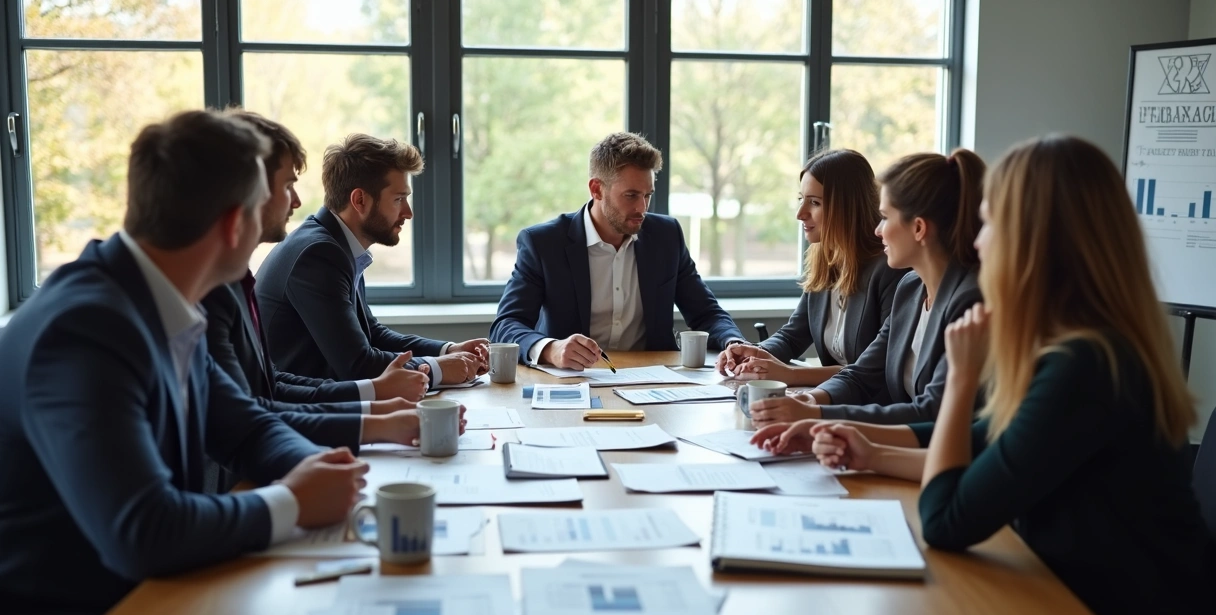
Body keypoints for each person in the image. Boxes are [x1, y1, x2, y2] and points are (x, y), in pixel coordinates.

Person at [756, 135, 1216, 615]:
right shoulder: (1079, 346)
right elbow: (986, 442)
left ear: (1034, 238)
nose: (977, 240)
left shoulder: (1084, 365)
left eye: (991, 221)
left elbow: (948, 517)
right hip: (1075, 597)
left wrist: (962, 377)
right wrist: (865, 450)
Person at [0, 110, 368, 615]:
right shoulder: (83, 330)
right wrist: (295, 501)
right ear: (232, 224)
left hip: (158, 594)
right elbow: (143, 531)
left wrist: (318, 467)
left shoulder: (156, 299)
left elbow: (245, 426)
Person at [201, 110, 461, 473]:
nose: (295, 201)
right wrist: (429, 372)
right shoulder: (317, 253)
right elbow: (353, 365)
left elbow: (271, 385)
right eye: (286, 186)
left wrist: (380, 404)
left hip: (291, 430)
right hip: (268, 456)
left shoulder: (335, 248)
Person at [749, 149, 985, 427]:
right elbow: (862, 373)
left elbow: (931, 412)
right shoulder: (910, 288)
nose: (878, 229)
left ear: (919, 228)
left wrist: (818, 413)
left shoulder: (969, 301)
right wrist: (810, 401)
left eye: (885, 217)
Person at [489, 132, 744, 369]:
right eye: (631, 195)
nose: (642, 208)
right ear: (596, 189)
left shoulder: (666, 236)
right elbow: (507, 324)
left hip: (655, 380)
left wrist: (733, 342)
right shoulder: (544, 243)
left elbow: (706, 312)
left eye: (648, 195)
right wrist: (551, 349)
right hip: (574, 382)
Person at [255, 133, 488, 385]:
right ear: (360, 200)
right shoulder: (319, 254)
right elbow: (358, 364)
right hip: (304, 411)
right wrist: (437, 369)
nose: (408, 213)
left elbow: (371, 334)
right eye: (399, 199)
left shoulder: (337, 244)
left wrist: (447, 350)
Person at [716, 149, 907, 385]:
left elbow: (874, 371)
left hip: (864, 406)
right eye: (801, 199)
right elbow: (792, 336)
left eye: (814, 202)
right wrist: (752, 352)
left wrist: (790, 375)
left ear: (848, 207)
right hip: (834, 399)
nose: (800, 214)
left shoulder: (890, 270)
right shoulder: (825, 259)